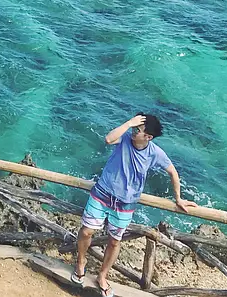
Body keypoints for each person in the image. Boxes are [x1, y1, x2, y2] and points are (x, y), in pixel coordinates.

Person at [73, 113, 197, 296]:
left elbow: (173, 172)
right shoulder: (124, 138)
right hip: (103, 193)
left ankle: (102, 276)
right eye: (133, 128)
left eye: (137, 130)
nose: (133, 131)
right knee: (86, 231)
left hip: (125, 203)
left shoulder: (154, 152)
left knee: (115, 242)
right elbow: (108, 139)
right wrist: (129, 123)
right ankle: (81, 263)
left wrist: (178, 198)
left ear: (148, 137)